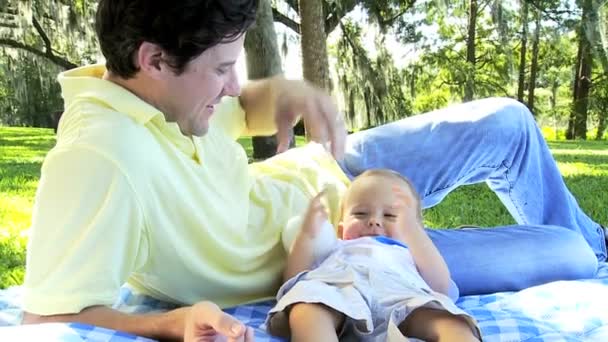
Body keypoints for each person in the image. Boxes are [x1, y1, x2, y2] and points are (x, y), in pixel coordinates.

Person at [21, 0, 606, 341]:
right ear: (152, 60)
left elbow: (240, 105)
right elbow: (51, 313)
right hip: (343, 249)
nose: (232, 86)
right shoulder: (97, 160)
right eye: (223, 67)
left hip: (325, 174)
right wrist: (173, 323)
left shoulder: (146, 81)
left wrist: (287, 92)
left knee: (507, 120)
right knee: (570, 252)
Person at [267, 169, 481, 341]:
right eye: (360, 213)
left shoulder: (410, 251)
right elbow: (293, 282)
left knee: (452, 323)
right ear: (341, 229)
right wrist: (306, 236)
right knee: (306, 309)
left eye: (390, 215)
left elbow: (440, 286)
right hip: (338, 291)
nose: (374, 221)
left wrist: (414, 235)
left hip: (401, 296)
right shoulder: (337, 246)